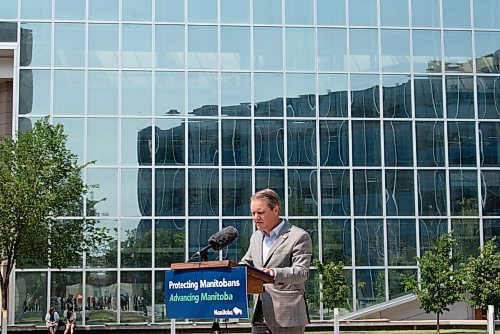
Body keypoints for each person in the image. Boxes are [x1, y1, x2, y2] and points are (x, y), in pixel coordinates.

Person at [240, 188, 313, 334]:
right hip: (259, 313)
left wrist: (274, 273)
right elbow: (246, 263)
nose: (255, 217)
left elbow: (301, 272)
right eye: (253, 213)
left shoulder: (299, 236)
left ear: (276, 209)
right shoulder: (255, 237)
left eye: (260, 213)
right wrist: (233, 272)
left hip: (287, 314)